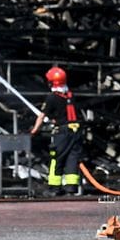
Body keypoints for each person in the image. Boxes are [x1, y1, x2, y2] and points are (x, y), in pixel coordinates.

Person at [30, 66, 83, 196]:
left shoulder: (52, 98)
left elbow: (42, 116)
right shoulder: (71, 95)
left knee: (56, 158)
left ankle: (54, 188)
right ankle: (71, 187)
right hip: (76, 131)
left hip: (62, 132)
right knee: (72, 158)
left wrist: (34, 130)